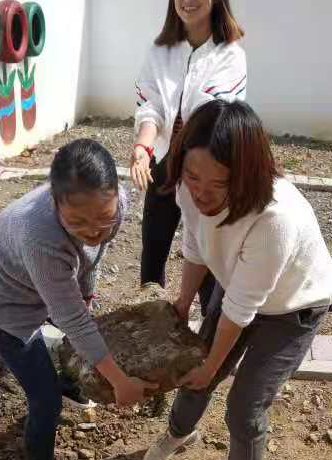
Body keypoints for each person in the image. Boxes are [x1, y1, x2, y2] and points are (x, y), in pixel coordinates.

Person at [142, 100, 332, 460]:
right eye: (193, 176)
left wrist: (213, 364)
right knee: (193, 370)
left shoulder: (274, 217)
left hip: (293, 307)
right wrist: (182, 303)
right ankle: (178, 432)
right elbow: (196, 247)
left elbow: (241, 310)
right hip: (239, 288)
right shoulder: (188, 187)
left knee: (244, 404)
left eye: (219, 183)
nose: (201, 192)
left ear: (247, 175)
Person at [0, 139, 156, 460]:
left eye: (103, 219)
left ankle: (71, 378)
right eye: (78, 223)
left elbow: (92, 257)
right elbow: (71, 318)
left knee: (82, 330)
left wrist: (87, 293)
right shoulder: (40, 237)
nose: (93, 231)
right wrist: (120, 382)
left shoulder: (114, 205)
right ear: (55, 203)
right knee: (45, 399)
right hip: (3, 300)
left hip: (40, 283)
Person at [132, 0, 247, 315]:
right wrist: (143, 149)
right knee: (154, 246)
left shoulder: (230, 55)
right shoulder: (160, 51)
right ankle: (151, 318)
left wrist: (186, 168)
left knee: (208, 248)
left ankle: (212, 325)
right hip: (167, 159)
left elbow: (212, 115)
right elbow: (151, 106)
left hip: (206, 168)